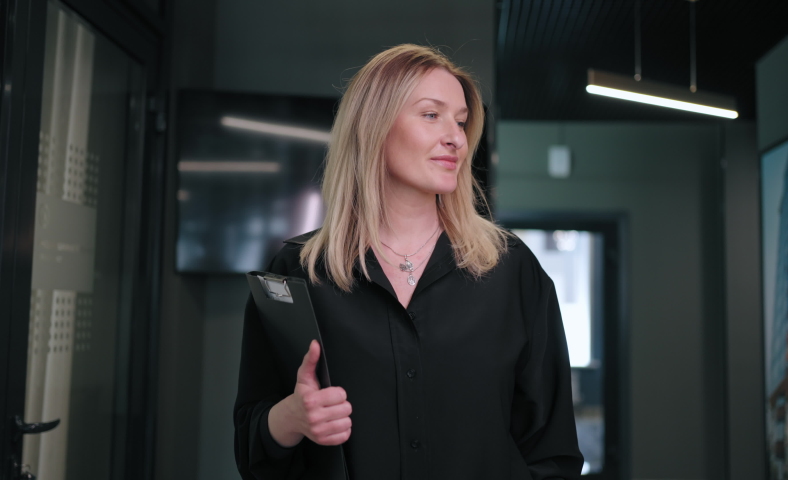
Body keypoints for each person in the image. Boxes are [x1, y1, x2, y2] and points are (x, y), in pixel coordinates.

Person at [234, 44, 584, 479]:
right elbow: (250, 443)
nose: (456, 138)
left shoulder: (512, 270)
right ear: (374, 125)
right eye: (431, 115)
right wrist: (291, 418)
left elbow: (553, 452)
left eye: (461, 121)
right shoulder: (299, 271)